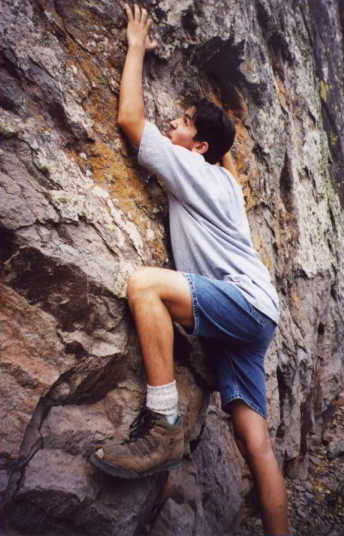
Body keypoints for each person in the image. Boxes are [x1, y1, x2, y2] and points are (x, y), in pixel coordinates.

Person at [90, 4, 290, 535]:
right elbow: (221, 149)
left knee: (144, 286)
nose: (169, 126)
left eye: (178, 124)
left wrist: (135, 47)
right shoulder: (221, 177)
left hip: (242, 302)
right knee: (256, 442)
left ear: (198, 147)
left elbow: (130, 121)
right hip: (257, 314)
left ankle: (164, 427)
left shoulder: (195, 170)